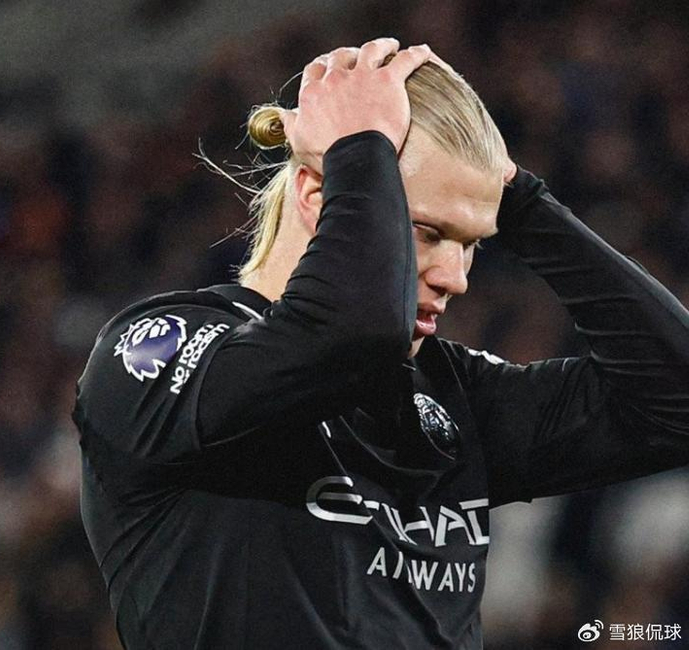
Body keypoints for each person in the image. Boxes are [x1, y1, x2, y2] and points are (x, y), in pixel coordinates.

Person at [73, 37, 689, 649]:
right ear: (318, 197)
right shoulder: (157, 350)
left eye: (471, 243)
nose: (456, 277)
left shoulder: (454, 396)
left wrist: (521, 199)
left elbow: (675, 401)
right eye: (427, 231)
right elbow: (349, 334)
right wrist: (359, 148)